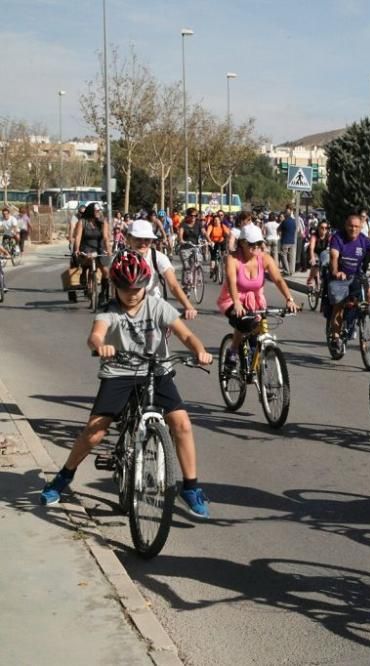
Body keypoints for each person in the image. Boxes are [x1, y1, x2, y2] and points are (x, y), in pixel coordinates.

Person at [39, 250, 214, 518]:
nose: (132, 293)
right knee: (95, 432)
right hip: (119, 372)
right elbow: (95, 335)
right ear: (115, 286)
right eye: (124, 288)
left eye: (137, 287)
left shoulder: (157, 306)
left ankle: (190, 488)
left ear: (146, 285)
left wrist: (200, 350)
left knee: (181, 423)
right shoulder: (109, 309)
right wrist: (101, 346)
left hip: (157, 370)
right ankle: (63, 477)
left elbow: (186, 335)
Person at [217, 224, 299, 368]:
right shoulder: (233, 259)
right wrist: (236, 302)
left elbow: (279, 280)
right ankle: (233, 351)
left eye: (259, 243)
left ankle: (255, 350)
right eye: (252, 244)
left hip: (255, 301)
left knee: (258, 325)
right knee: (245, 322)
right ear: (242, 242)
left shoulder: (265, 259)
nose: (256, 247)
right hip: (232, 298)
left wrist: (289, 299)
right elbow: (231, 282)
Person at [326, 213, 370, 343]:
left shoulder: (364, 240)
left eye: (356, 226)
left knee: (368, 292)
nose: (353, 229)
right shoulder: (338, 237)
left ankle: (360, 316)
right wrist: (336, 272)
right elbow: (334, 257)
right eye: (351, 226)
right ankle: (336, 335)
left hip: (356, 273)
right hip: (340, 275)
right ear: (346, 225)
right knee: (338, 306)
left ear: (361, 227)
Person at [127, 220, 197, 320]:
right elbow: (115, 289)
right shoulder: (119, 260)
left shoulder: (159, 258)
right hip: (127, 307)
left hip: (153, 305)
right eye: (138, 239)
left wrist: (188, 307)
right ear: (129, 239)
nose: (143, 243)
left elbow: (173, 285)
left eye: (147, 239)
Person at [71, 202, 112, 305]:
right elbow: (78, 237)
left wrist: (108, 251)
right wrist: (76, 249)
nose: (99, 213)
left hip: (100, 247)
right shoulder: (82, 222)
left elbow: (106, 238)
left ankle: (102, 293)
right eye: (96, 211)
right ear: (91, 212)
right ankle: (84, 273)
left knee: (106, 271)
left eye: (99, 211)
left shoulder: (103, 222)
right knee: (87, 261)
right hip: (86, 246)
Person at [306, 219, 333, 288]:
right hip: (313, 252)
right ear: (318, 228)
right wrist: (312, 258)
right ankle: (311, 278)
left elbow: (332, 247)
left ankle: (322, 280)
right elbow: (311, 248)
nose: (324, 229)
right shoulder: (314, 236)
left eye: (326, 228)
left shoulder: (329, 236)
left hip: (322, 254)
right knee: (316, 263)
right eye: (322, 227)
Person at [279, 208, 298, 274]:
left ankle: (286, 270)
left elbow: (278, 229)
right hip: (292, 241)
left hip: (285, 241)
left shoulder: (284, 222)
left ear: (285, 215)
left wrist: (281, 222)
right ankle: (291, 270)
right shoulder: (294, 221)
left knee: (283, 255)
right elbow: (296, 230)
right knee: (291, 257)